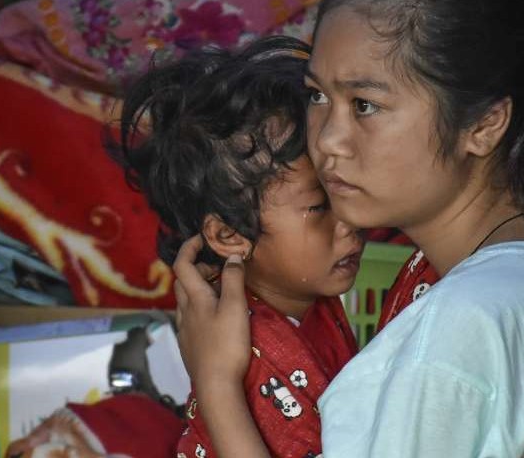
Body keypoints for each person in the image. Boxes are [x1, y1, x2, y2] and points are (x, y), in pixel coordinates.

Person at [173, 0, 524, 457]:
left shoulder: (462, 329)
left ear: (483, 124)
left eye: (364, 104)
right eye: (318, 95)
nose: (328, 141)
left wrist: (216, 384)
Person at [116, 36, 363, 458]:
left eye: (347, 191)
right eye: (320, 206)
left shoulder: (303, 295)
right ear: (229, 235)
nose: (351, 220)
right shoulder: (262, 356)